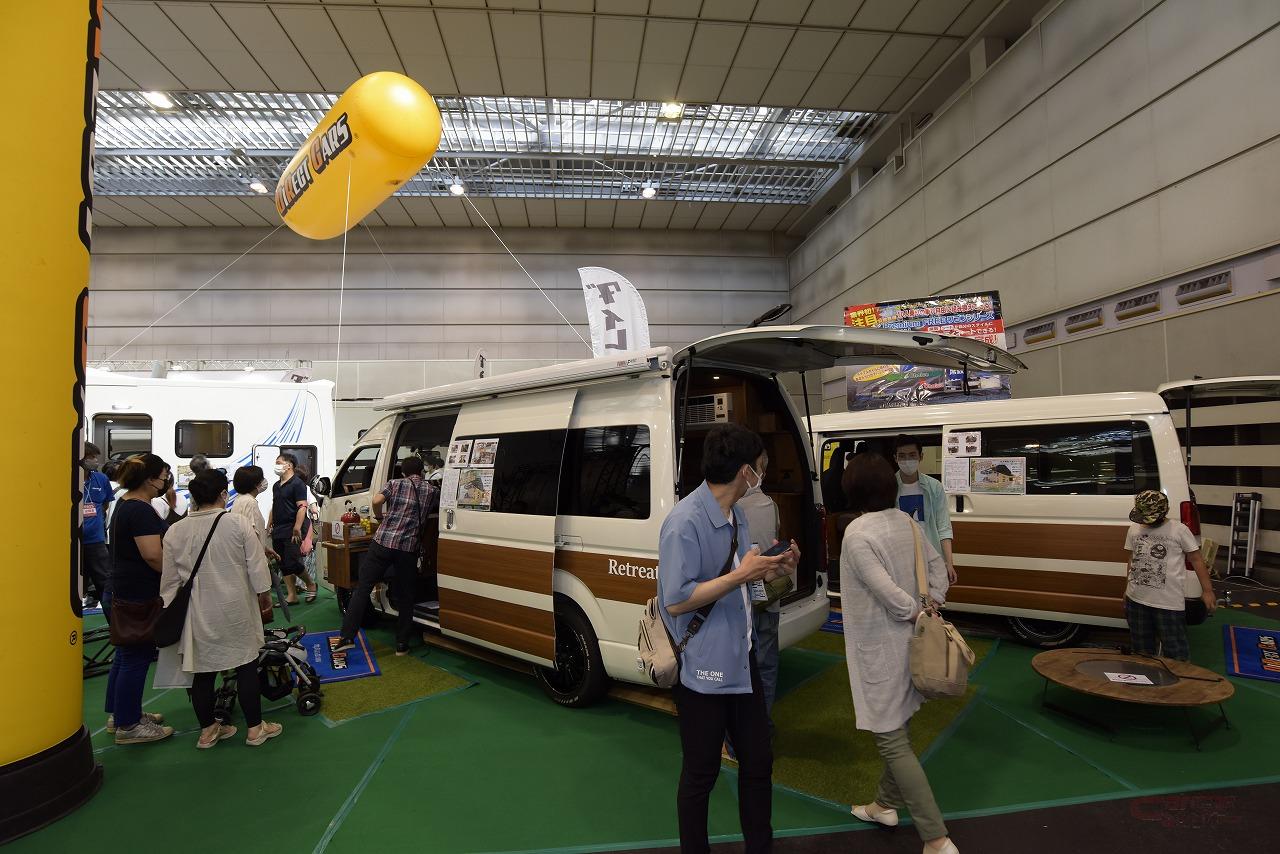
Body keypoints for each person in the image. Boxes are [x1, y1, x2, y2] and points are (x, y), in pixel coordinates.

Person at [658, 424, 798, 854]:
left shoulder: (737, 515)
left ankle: (760, 845)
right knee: (701, 773)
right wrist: (741, 575)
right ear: (744, 471)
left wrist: (773, 570)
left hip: (742, 658)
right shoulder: (683, 522)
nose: (762, 474)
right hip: (702, 667)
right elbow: (676, 601)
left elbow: (742, 586)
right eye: (760, 467)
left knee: (758, 761)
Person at [840, 453, 956, 853]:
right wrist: (931, 604)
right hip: (914, 646)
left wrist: (916, 610)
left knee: (892, 740)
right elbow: (938, 569)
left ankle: (936, 838)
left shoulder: (857, 534)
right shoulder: (906, 522)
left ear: (852, 491)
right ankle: (884, 805)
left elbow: (890, 596)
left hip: (882, 652)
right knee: (898, 728)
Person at [160, 469, 281, 748]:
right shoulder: (238, 524)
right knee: (246, 665)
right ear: (223, 494)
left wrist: (170, 609)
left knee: (202, 671)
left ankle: (208, 731)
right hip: (236, 607)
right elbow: (257, 568)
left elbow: (169, 583)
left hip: (197, 612)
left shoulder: (175, 531)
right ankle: (255, 729)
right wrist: (264, 596)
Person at [334, 455, 439, 656]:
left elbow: (377, 500)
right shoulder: (431, 490)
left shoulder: (395, 483)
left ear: (403, 472)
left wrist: (379, 515)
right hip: (408, 548)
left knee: (363, 588)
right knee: (406, 596)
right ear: (422, 471)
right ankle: (402, 644)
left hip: (383, 543)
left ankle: (347, 637)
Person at [104, 453, 174, 744]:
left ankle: (121, 713)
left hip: (123, 589)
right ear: (150, 479)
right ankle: (129, 725)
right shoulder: (140, 510)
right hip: (137, 593)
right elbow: (153, 555)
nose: (165, 482)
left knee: (125, 654)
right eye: (164, 477)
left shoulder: (125, 503)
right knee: (136, 656)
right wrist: (176, 577)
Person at [1124, 490, 1216, 661]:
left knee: (1176, 652)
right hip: (1136, 600)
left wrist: (1207, 591)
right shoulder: (1134, 529)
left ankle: (1177, 677)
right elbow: (1132, 558)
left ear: (1164, 512)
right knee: (1141, 652)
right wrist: (1127, 589)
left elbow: (1196, 559)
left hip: (1168, 604)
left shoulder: (1179, 530)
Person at [735, 449, 783, 740]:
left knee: (743, 667)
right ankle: (762, 726)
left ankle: (741, 734)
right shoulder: (771, 505)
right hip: (769, 596)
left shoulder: (731, 508)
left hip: (742, 599)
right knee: (766, 665)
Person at [893, 436, 957, 584]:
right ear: (895, 458)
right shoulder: (889, 487)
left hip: (930, 555)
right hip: (900, 557)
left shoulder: (934, 487)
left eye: (912, 455)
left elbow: (944, 527)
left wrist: (949, 563)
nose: (907, 460)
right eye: (902, 456)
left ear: (921, 456)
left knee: (931, 595)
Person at [268, 452, 314, 605]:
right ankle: (292, 595)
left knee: (292, 561)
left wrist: (297, 527)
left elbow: (302, 507)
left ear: (289, 465)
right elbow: (274, 505)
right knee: (282, 562)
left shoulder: (297, 484)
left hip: (292, 528)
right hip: (278, 528)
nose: (276, 465)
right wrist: (270, 523)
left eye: (279, 462)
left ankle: (310, 584)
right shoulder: (276, 485)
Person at [80, 442, 114, 610]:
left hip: (96, 541)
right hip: (73, 542)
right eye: (91, 457)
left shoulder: (101, 479)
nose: (95, 460)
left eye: (95, 457)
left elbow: (105, 504)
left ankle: (113, 623)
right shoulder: (69, 478)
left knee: (105, 583)